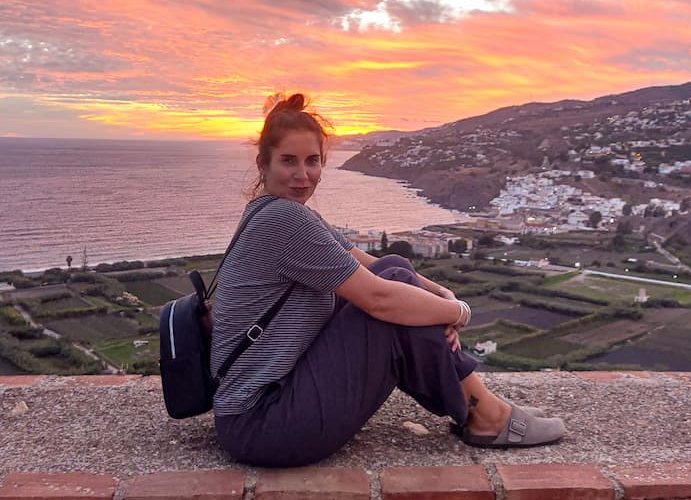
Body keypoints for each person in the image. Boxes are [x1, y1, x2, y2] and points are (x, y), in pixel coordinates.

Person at [211, 93, 566, 467]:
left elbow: (378, 264)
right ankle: (487, 415)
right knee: (392, 307)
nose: (303, 175)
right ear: (263, 164)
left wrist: (442, 296)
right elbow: (380, 298)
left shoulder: (282, 213)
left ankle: (483, 409)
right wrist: (457, 313)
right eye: (288, 161)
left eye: (312, 161)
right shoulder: (283, 220)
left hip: (269, 407)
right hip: (263, 424)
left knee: (396, 268)